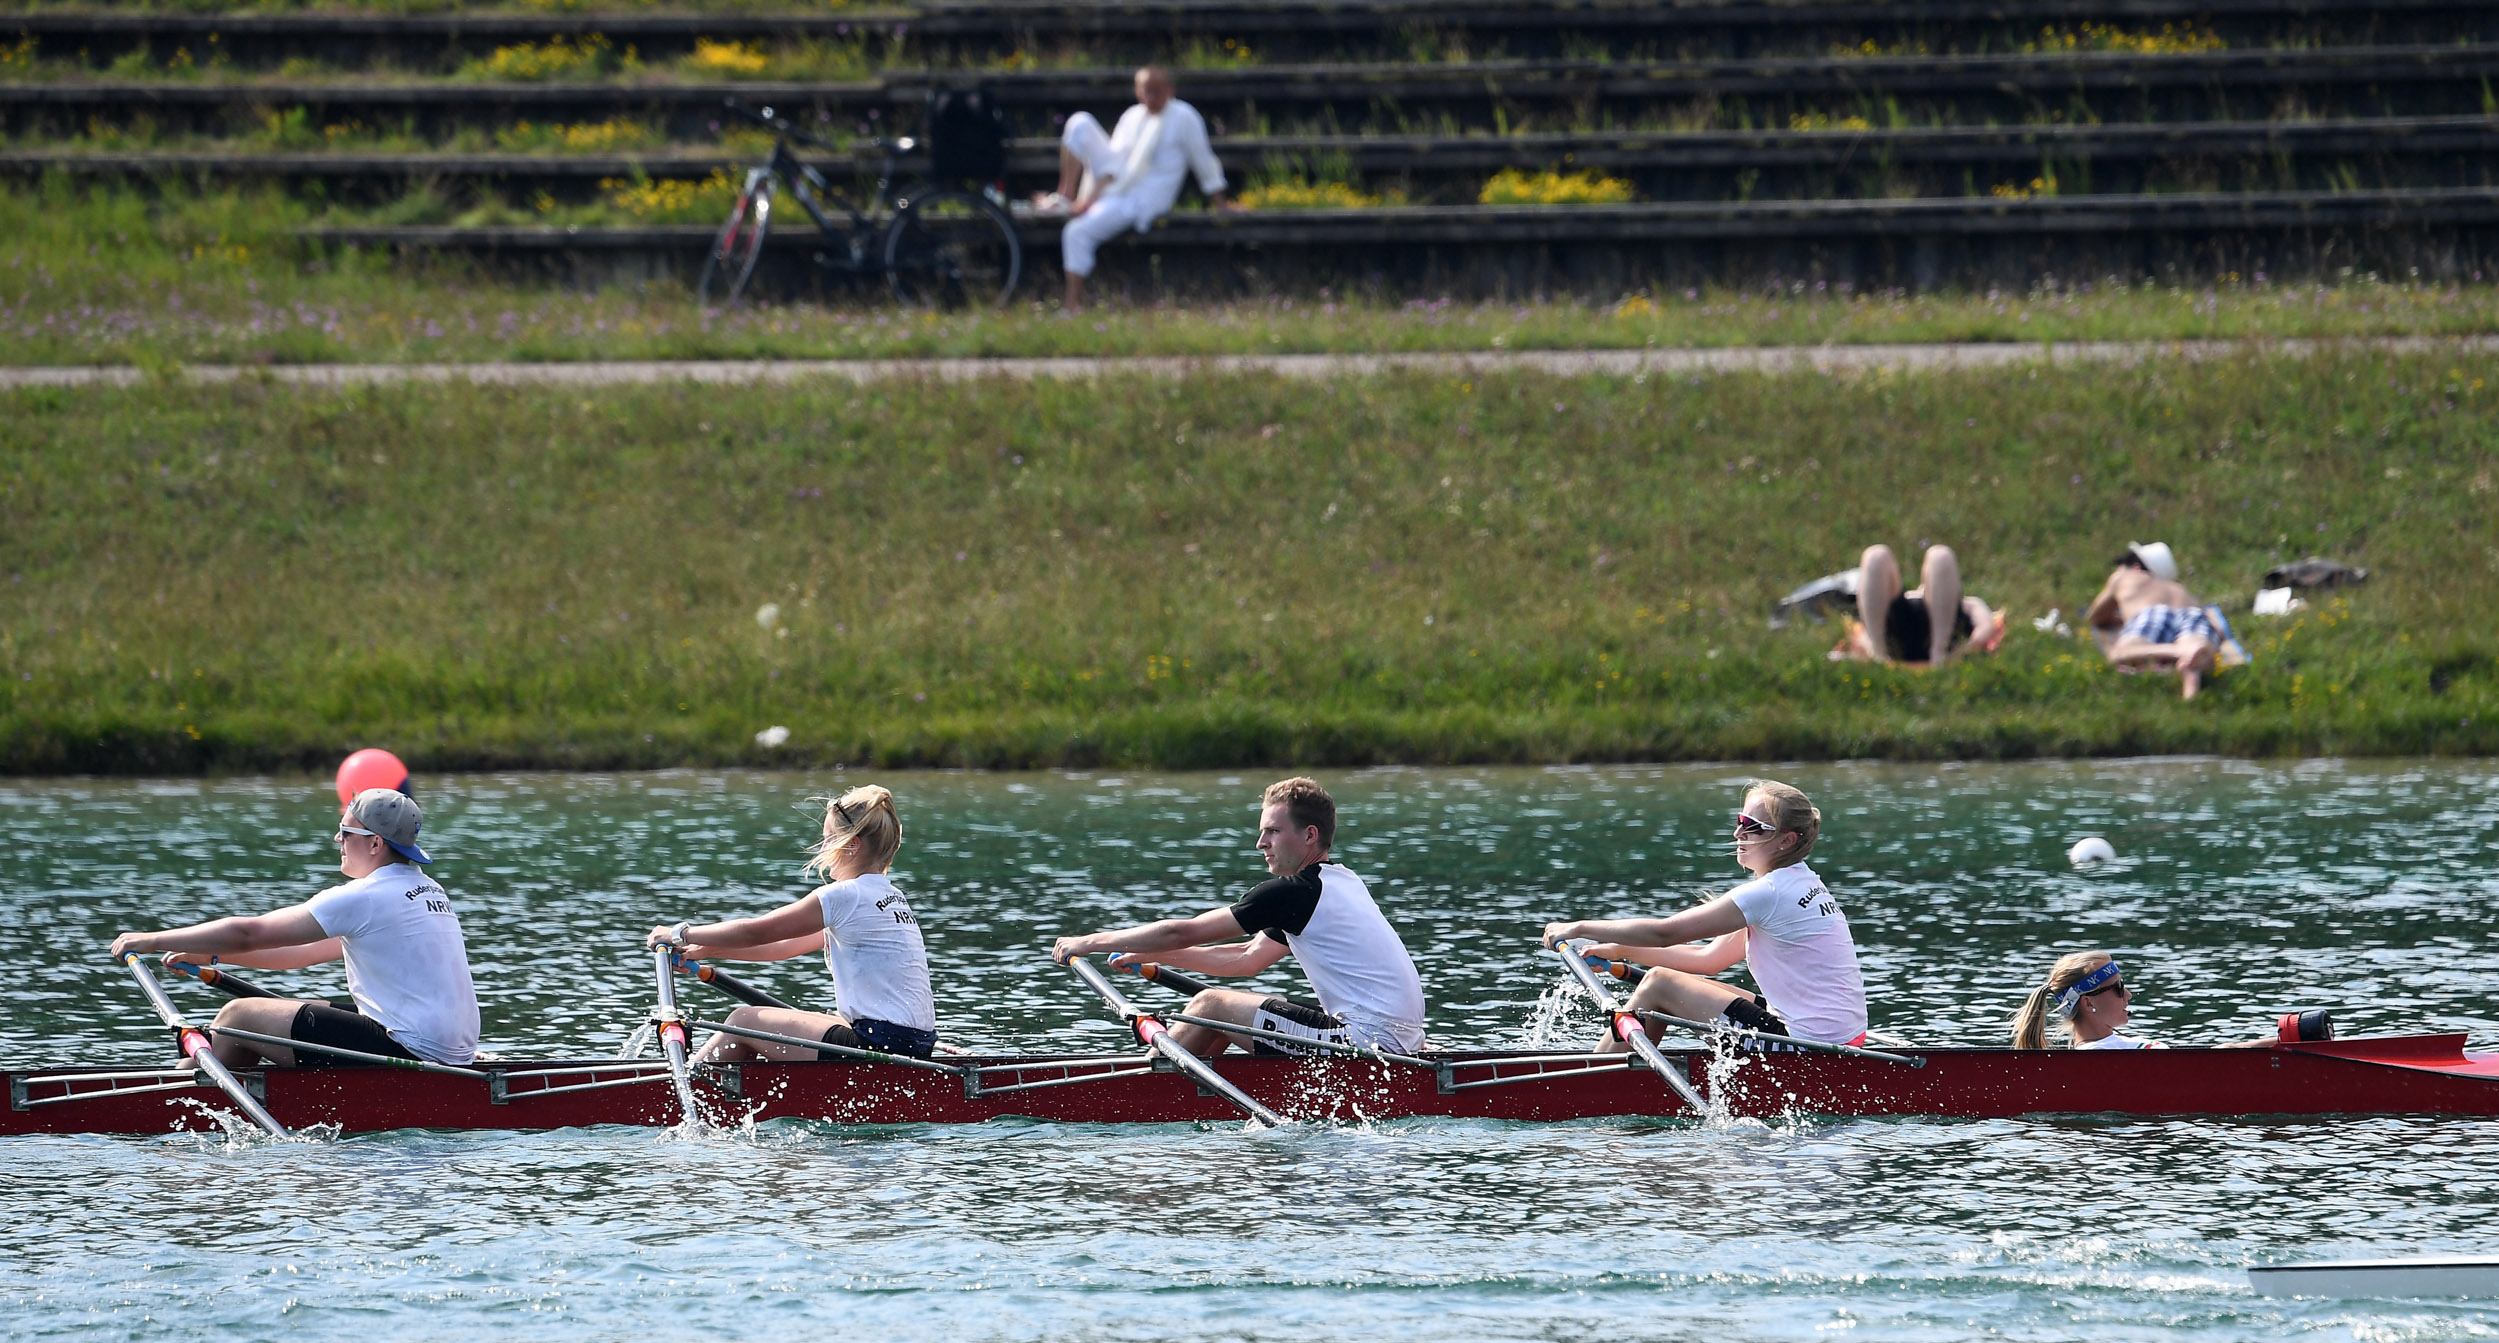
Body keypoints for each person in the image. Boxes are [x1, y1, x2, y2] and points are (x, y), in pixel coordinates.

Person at [1050, 777, 1427, 1057]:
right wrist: (1154, 957)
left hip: (1366, 1044)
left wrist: (1090, 942)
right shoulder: (1341, 882)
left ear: (1310, 835)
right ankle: (1177, 1088)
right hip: (1398, 1041)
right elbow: (1246, 958)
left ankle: (1134, 1093)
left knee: (1210, 1006)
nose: (1260, 844)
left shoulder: (1292, 892)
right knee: (1219, 1021)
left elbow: (1185, 931)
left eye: (1273, 832)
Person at [109, 788, 480, 1069]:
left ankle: (183, 1097)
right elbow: (302, 954)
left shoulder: (366, 896)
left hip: (413, 1049)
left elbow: (249, 933)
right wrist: (212, 955)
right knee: (286, 1009)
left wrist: (152, 939)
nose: (338, 840)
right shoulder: (427, 889)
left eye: (345, 831)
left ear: (376, 843)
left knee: (236, 1017)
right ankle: (199, 1070)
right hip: (449, 1049)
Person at [1542, 781, 1868, 1050]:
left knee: (1658, 983)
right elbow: (1709, 959)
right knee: (1671, 980)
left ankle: (1601, 1083)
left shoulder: (1769, 893)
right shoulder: (1802, 882)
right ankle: (1624, 1072)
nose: (1739, 834)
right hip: (1837, 1039)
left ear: (1786, 840)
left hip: (1809, 1048)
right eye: (1740, 822)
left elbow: (1665, 933)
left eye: (1753, 828)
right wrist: (1618, 951)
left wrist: (1579, 927)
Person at [645, 786, 938, 1063]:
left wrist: (679, 933)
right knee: (816, 1018)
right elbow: (783, 945)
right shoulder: (891, 896)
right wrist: (708, 950)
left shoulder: (844, 896)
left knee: (741, 1021)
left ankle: (678, 1095)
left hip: (879, 1044)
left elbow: (755, 931)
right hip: (915, 1042)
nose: (823, 849)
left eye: (827, 839)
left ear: (851, 846)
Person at [1038, 66, 1229, 311]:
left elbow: (1204, 162)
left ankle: (1071, 306)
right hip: (1116, 192)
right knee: (1079, 122)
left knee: (1076, 233)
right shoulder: (1132, 116)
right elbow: (1113, 166)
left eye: (1157, 91)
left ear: (1170, 90)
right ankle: (1066, 196)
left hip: (1143, 200)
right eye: (1145, 91)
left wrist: (1221, 205)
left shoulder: (1184, 117)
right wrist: (1089, 200)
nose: (1151, 98)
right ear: (1137, 91)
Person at [2083, 540, 2219, 699]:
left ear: (2135, 567)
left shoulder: (2125, 576)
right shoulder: (2179, 588)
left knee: (2119, 653)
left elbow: (2095, 617)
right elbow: (2217, 629)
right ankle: (2192, 665)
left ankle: (2177, 652)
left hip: (2154, 613)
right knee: (2198, 648)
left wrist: (2121, 619)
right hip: (2193, 614)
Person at [1835, 543, 2004, 665]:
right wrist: (1871, 646)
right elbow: (1863, 630)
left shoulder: (1969, 603)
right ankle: (1879, 655)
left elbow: (1986, 627)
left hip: (1946, 642)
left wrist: (1960, 652)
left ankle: (1938, 653)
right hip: (1891, 640)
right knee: (1875, 556)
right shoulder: (1896, 604)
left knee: (1940, 556)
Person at [2010, 951, 2163, 1049]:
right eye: (2119, 987)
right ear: (2089, 1003)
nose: (2128, 995)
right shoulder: (2095, 1057)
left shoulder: (2115, 1048)